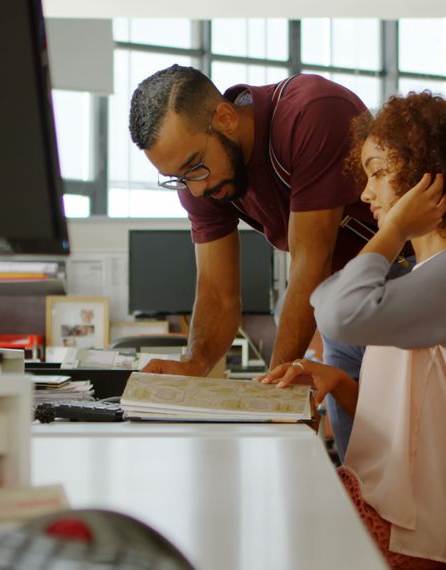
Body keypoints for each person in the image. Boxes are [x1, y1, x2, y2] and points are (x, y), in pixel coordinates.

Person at [258, 91, 446, 568]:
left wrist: (395, 225)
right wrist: (338, 384)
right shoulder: (428, 279)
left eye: (379, 171)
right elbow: (405, 428)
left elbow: (337, 311)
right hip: (406, 518)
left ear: (429, 176)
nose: (366, 192)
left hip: (427, 533)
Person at [128, 66, 422, 455]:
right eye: (178, 179)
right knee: (361, 464)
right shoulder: (201, 181)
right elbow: (217, 293)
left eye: (195, 167)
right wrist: (194, 366)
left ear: (226, 118)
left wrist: (272, 394)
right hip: (337, 302)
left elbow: (308, 266)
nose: (196, 190)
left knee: (404, 459)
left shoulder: (311, 114)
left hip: (398, 288)